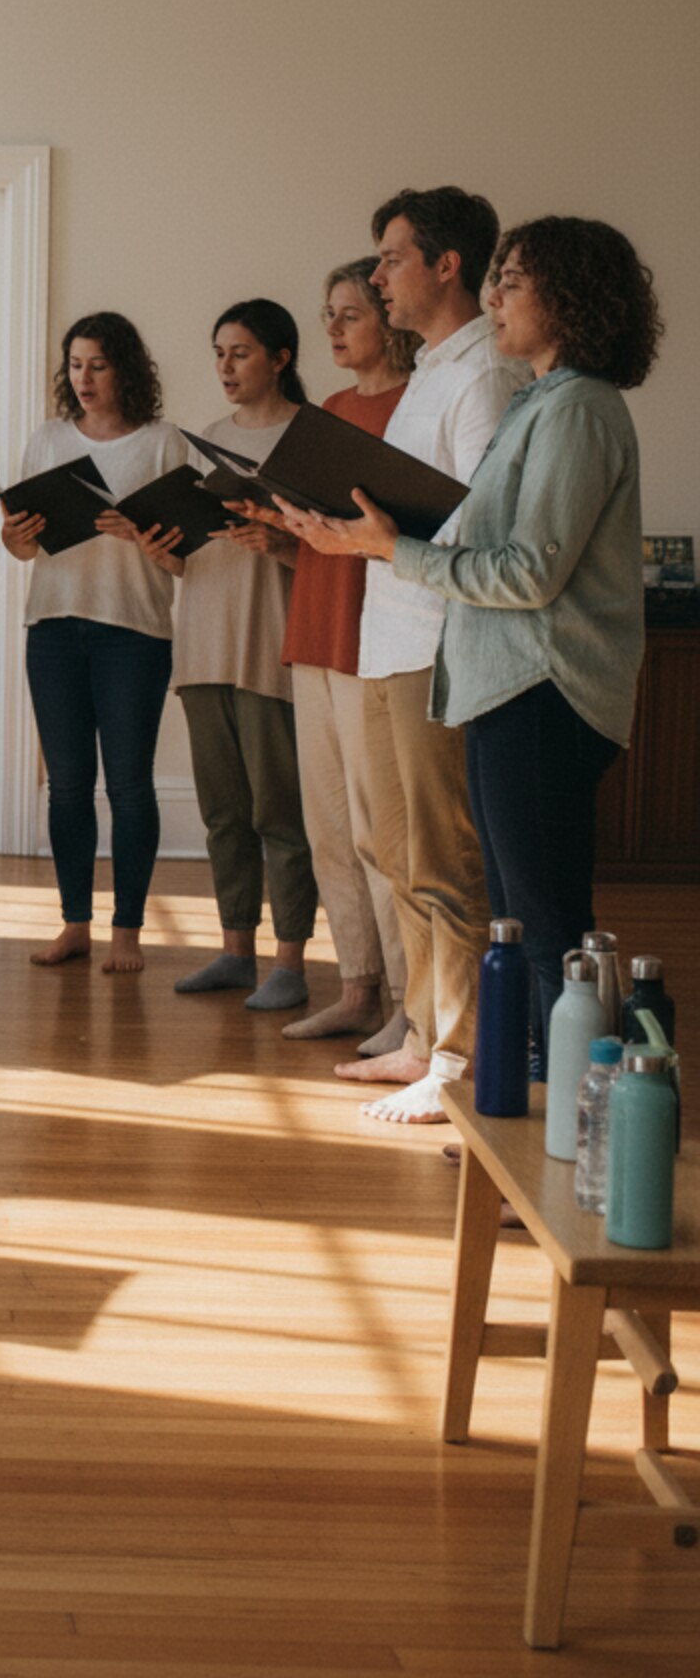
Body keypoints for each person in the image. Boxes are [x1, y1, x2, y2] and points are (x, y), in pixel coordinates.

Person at [281, 217, 657, 1071]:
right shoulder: (539, 401)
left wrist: (392, 549)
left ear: (568, 299)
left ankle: (565, 1119)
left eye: (513, 283)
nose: (493, 299)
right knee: (523, 920)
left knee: (546, 925)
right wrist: (371, 536)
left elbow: (530, 572)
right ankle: (521, 1099)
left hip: (543, 689)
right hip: (503, 686)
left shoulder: (578, 409)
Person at [283, 186, 521, 1125]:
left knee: (444, 859)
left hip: (437, 642)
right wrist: (338, 528)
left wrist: (375, 536)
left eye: (391, 258)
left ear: (445, 265)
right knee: (395, 853)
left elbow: (484, 525)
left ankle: (456, 1058)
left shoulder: (483, 374)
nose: (378, 275)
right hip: (384, 638)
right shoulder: (429, 370)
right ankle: (423, 1035)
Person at [2, 313, 188, 975]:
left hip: (133, 632)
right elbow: (20, 548)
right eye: (75, 365)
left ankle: (128, 932)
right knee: (67, 788)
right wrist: (16, 535)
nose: (84, 378)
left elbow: (183, 561)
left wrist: (137, 534)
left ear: (125, 370)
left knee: (130, 787)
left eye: (98, 366)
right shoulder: (47, 438)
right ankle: (74, 924)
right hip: (52, 627)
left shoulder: (163, 443)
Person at [272, 263, 414, 1043]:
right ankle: (357, 987)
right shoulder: (328, 408)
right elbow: (324, 532)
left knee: (378, 832)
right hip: (315, 629)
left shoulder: (415, 404)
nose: (331, 328)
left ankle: (406, 1002)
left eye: (349, 314)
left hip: (374, 639)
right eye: (327, 313)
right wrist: (276, 526)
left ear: (388, 321)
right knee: (327, 825)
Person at [164, 300, 317, 1013]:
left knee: (279, 814)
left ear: (280, 359)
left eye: (241, 353)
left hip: (270, 645)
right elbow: (190, 555)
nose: (225, 367)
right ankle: (235, 951)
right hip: (203, 644)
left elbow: (338, 556)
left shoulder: (310, 439)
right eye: (219, 353)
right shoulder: (207, 443)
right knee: (223, 812)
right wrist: (159, 549)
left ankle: (290, 962)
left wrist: (282, 544)